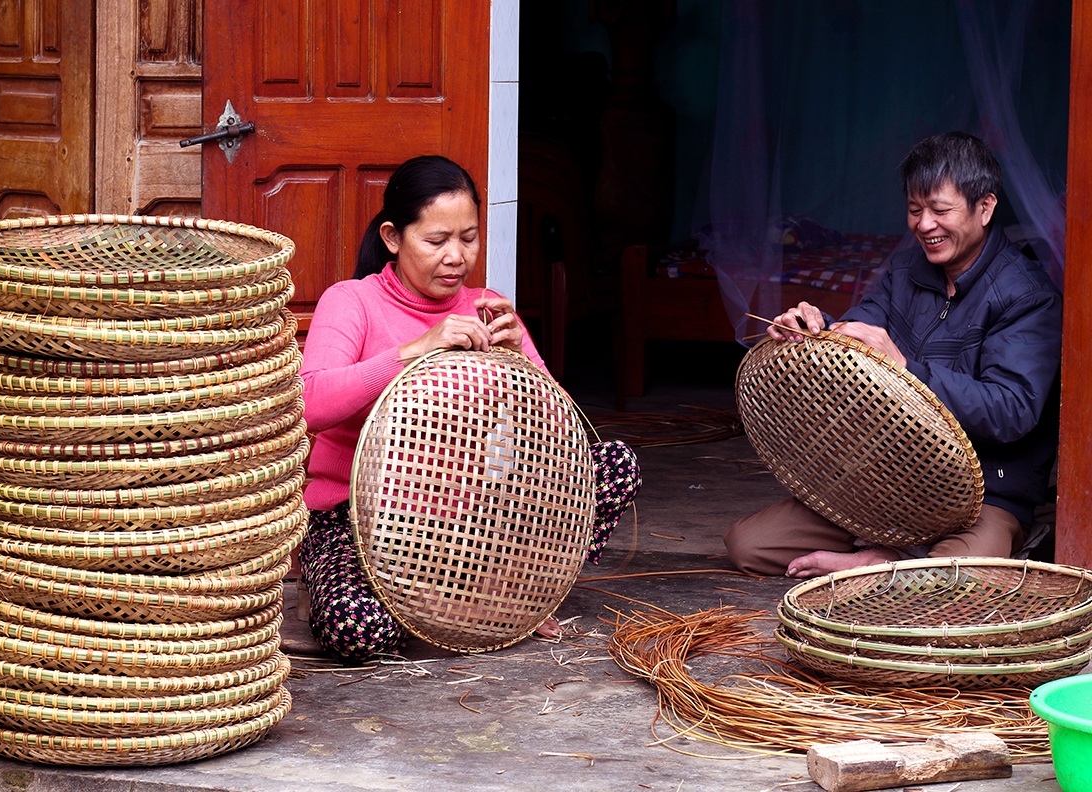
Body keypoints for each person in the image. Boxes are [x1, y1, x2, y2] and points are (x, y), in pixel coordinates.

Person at [298, 155, 641, 663]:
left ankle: (496, 590)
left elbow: (558, 438)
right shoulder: (352, 301)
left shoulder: (485, 307)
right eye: (436, 241)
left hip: (467, 530)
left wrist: (520, 357)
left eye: (469, 237)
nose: (456, 256)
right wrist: (416, 349)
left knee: (614, 465)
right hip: (357, 523)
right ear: (393, 237)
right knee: (360, 632)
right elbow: (309, 404)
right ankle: (462, 605)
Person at [725, 131, 1062, 579]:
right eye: (914, 209)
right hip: (887, 485)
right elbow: (858, 340)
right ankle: (888, 557)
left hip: (983, 496)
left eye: (940, 210)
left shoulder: (1028, 295)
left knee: (953, 583)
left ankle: (884, 562)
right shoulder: (904, 272)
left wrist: (906, 370)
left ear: (985, 207)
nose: (924, 225)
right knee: (748, 547)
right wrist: (814, 330)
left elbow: (1011, 410)